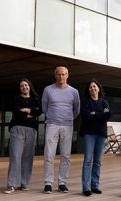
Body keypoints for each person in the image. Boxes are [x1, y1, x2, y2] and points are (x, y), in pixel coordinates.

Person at [42, 66, 80, 194]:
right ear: (55, 75)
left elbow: (76, 109)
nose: (61, 76)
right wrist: (53, 117)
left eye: (64, 74)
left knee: (66, 155)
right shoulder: (48, 90)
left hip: (67, 125)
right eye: (59, 74)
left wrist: (67, 118)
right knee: (49, 154)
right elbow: (44, 107)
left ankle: (62, 183)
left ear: (67, 75)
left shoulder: (74, 92)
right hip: (52, 124)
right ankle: (48, 183)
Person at [4, 78, 42, 194]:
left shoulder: (36, 99)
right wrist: (30, 113)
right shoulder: (16, 98)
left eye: (26, 85)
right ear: (20, 88)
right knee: (15, 156)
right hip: (17, 129)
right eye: (22, 86)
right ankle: (11, 184)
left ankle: (24, 183)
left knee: (28, 157)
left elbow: (39, 111)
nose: (24, 87)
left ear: (29, 86)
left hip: (31, 129)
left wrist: (28, 110)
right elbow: (16, 111)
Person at [80, 79, 111, 196]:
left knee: (97, 161)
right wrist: (100, 114)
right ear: (88, 90)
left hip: (101, 134)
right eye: (90, 87)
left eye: (94, 86)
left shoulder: (104, 102)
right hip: (88, 133)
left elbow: (107, 115)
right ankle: (86, 187)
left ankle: (95, 185)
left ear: (98, 88)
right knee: (88, 160)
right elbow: (85, 116)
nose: (92, 88)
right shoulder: (85, 102)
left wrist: (94, 114)